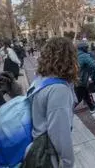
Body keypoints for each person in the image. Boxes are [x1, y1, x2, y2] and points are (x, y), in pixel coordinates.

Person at [29, 37, 78, 167]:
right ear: (68, 58)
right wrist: (68, 163)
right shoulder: (59, 90)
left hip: (37, 141)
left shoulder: (40, 79)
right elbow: (60, 134)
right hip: (48, 154)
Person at [75, 41, 95, 113]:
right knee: (78, 98)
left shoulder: (75, 55)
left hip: (75, 79)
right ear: (83, 48)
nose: (88, 49)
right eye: (87, 47)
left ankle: (92, 107)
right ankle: (67, 110)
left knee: (86, 94)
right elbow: (94, 66)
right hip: (81, 80)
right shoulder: (85, 56)